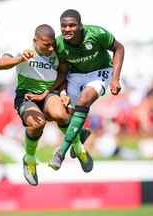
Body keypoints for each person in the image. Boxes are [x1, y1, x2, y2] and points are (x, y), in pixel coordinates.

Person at [26, 9, 125, 172]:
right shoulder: (58, 44)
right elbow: (63, 71)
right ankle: (80, 135)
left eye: (72, 25)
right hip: (75, 74)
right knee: (64, 117)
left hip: (99, 72)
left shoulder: (97, 33)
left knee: (83, 101)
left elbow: (119, 48)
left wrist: (115, 78)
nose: (67, 29)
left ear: (80, 25)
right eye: (63, 26)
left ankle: (60, 153)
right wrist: (49, 91)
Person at [0, 24, 90, 186]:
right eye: (47, 44)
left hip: (48, 92)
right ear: (35, 41)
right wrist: (20, 59)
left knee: (61, 115)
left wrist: (63, 93)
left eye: (52, 43)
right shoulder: (21, 47)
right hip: (26, 95)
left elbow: (63, 73)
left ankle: (79, 148)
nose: (51, 47)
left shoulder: (57, 50)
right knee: (37, 124)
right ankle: (29, 160)